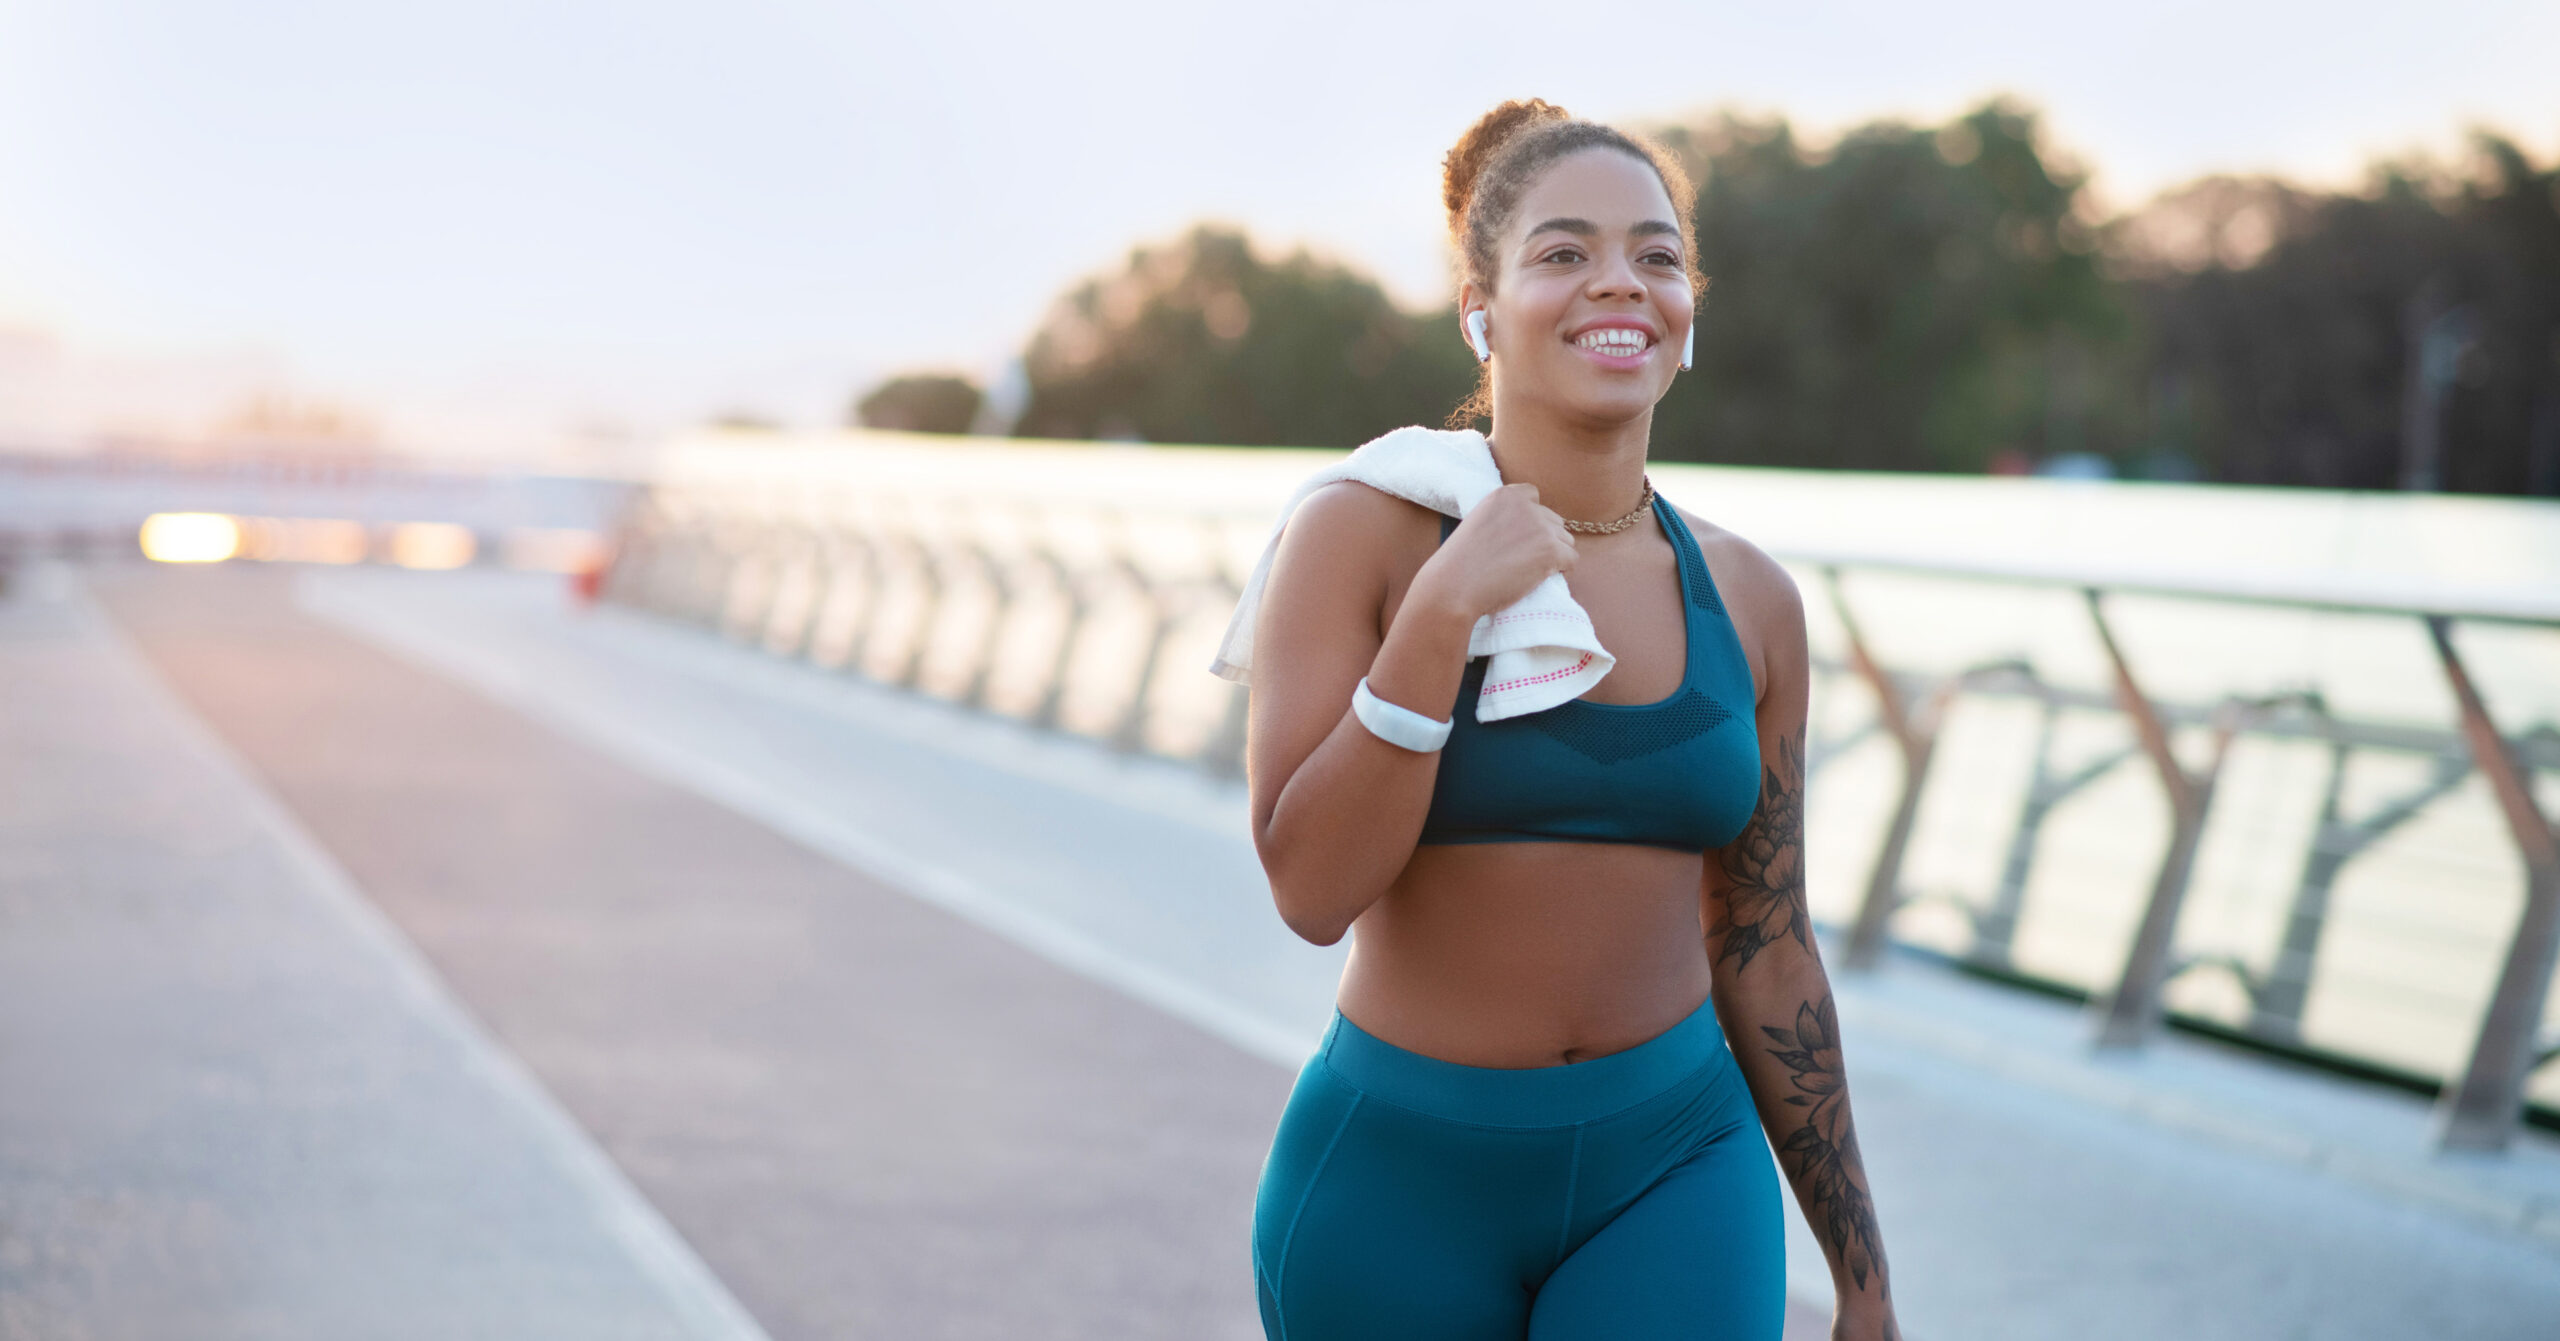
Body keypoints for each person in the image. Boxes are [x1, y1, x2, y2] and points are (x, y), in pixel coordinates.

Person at [1241, 100, 1903, 1340]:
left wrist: (1860, 1276)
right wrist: (1440, 619)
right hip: (1399, 1186)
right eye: (1563, 252)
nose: (1620, 282)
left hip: (1676, 1168)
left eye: (1656, 255)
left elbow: (1765, 943)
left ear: (1686, 308)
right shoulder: (1364, 534)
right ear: (1478, 308)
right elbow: (1309, 890)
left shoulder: (1750, 599)